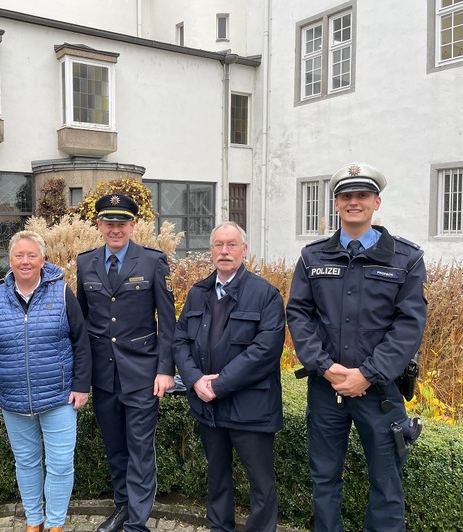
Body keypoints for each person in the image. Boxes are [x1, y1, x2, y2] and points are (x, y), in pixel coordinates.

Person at [286, 163, 427, 532]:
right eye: (346, 196)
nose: (353, 202)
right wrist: (324, 366)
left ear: (376, 202)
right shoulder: (312, 257)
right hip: (326, 388)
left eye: (362, 195)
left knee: (386, 484)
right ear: (336, 205)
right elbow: (299, 314)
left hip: (378, 392)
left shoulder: (406, 259)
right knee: (324, 480)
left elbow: (409, 325)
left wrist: (367, 373)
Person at [0, 230, 92, 532]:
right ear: (10, 260)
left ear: (43, 259)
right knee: (26, 463)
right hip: (13, 398)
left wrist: (81, 385)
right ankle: (33, 521)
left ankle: (55, 524)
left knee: (60, 464)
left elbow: (81, 341)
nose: (25, 261)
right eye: (19, 255)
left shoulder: (61, 292)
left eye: (31, 255)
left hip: (58, 397)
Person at [173, 221, 284, 532]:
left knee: (261, 484)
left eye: (231, 245)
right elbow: (180, 341)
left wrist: (218, 385)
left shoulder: (265, 294)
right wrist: (195, 380)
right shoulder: (198, 292)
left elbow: (265, 350)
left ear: (244, 250)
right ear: (211, 252)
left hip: (251, 408)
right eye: (219, 245)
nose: (224, 251)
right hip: (209, 407)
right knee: (217, 477)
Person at [76, 194, 176, 532]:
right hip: (104, 375)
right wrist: (82, 375)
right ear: (99, 225)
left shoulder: (152, 262)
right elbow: (83, 321)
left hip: (142, 373)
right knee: (116, 448)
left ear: (133, 225)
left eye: (122, 223)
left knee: (140, 450)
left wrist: (165, 369)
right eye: (109, 223)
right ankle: (122, 507)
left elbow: (167, 321)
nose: (115, 229)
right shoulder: (85, 263)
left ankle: (136, 522)